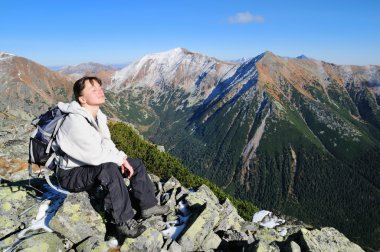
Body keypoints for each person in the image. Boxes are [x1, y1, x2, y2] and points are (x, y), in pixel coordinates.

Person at [53, 76, 170, 240]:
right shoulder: (74, 122)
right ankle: (123, 221)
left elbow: (106, 144)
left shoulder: (98, 115)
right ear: (82, 99)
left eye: (100, 87)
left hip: (87, 167)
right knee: (108, 169)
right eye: (93, 90)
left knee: (134, 164)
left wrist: (123, 159)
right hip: (71, 175)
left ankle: (148, 205)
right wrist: (119, 161)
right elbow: (96, 157)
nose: (100, 91)